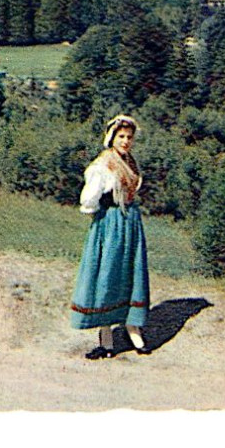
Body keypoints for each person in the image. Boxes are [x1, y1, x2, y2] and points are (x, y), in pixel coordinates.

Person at [69, 114, 152, 358]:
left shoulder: (130, 162)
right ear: (112, 137)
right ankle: (106, 338)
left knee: (130, 273)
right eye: (121, 136)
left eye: (129, 137)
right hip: (111, 223)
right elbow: (88, 200)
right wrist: (102, 217)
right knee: (108, 273)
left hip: (130, 223)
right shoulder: (104, 165)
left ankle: (132, 327)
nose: (125, 141)